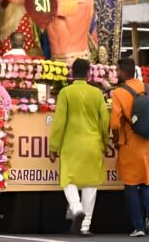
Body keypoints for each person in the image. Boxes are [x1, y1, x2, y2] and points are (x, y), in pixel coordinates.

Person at [111, 57, 149, 237]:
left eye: (117, 70)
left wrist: (116, 141)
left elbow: (115, 124)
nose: (116, 73)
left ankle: (139, 227)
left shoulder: (119, 93)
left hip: (130, 146)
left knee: (131, 186)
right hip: (148, 145)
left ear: (123, 72)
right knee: (146, 182)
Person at [49, 59, 108, 236]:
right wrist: (105, 142)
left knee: (68, 180)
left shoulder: (66, 93)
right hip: (92, 144)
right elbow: (104, 121)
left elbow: (59, 122)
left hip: (71, 145)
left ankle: (76, 209)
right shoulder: (97, 93)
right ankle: (85, 227)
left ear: (72, 73)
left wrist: (53, 146)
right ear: (89, 73)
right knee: (90, 185)